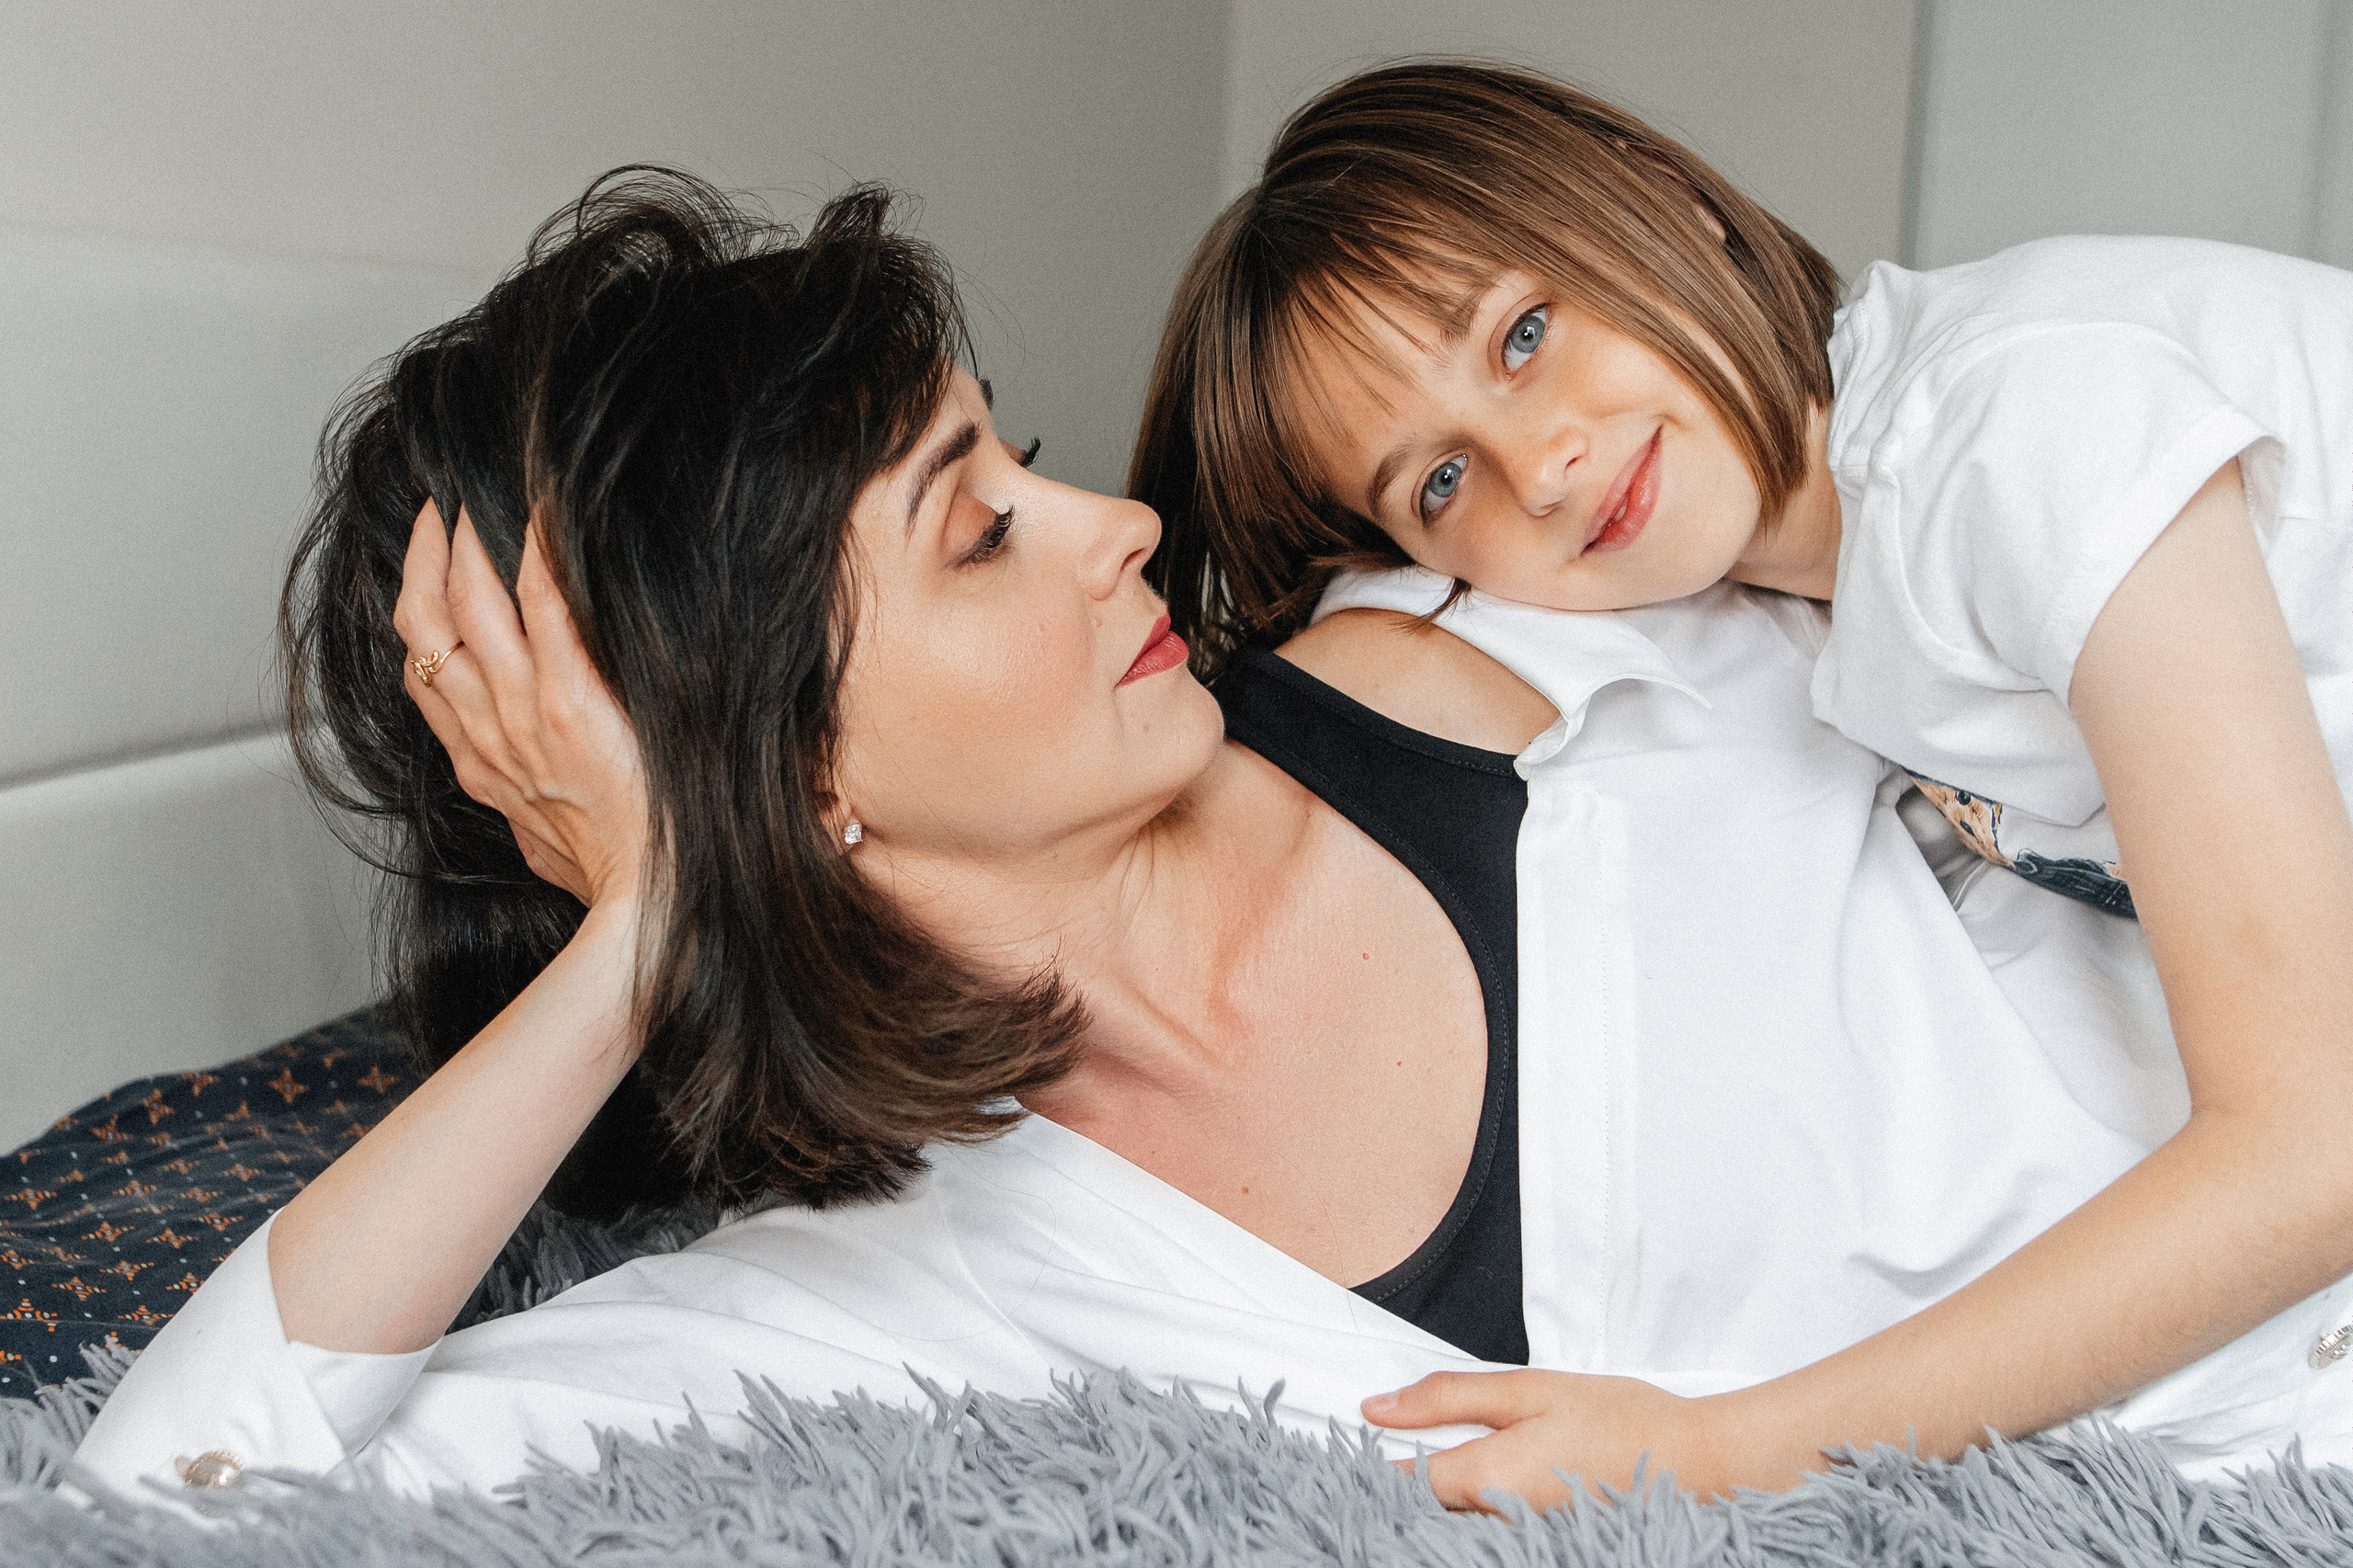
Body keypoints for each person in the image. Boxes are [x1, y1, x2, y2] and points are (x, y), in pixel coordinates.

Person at [70, 165, 2353, 1514]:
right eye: (976, 532)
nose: (1125, 528)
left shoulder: (1511, 619)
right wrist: (652, 922)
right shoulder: (913, 1273)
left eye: (1027, 454)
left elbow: (1977, 475)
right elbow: (161, 1492)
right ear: (784, 773)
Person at [1129, 59, 2353, 1504]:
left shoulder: (2016, 429)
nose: (1543, 464)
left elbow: (2312, 1147)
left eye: (1524, 334)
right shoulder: (1831, 602)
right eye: (1440, 484)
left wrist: (1724, 1444)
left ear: (1659, 202)